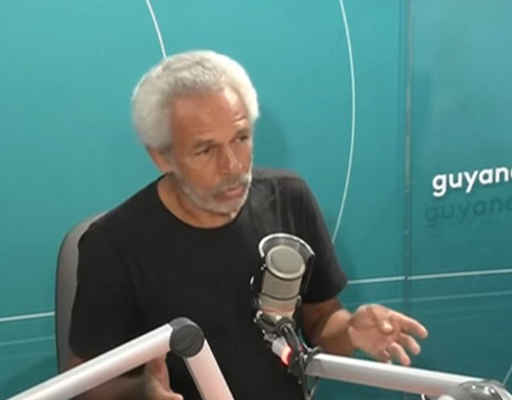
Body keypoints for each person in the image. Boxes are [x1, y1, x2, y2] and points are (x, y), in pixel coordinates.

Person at [66, 50, 428, 400]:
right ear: (161, 157)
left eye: (241, 138)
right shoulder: (112, 245)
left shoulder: (289, 199)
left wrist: (350, 331)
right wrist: (142, 393)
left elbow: (321, 321)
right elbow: (87, 383)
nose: (233, 166)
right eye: (206, 150)